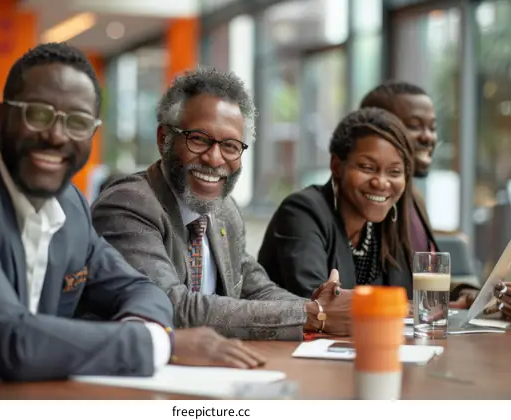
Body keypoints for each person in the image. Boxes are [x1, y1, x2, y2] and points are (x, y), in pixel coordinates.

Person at [0, 44, 265, 398]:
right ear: (1, 117)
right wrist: (162, 344)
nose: (56, 135)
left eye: (78, 122)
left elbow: (141, 291)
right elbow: (12, 340)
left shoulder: (71, 204)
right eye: (38, 114)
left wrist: (148, 332)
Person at [91, 67, 350, 340]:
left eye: (230, 145)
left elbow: (258, 290)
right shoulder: (128, 205)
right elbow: (172, 307)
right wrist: (314, 315)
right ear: (163, 139)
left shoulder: (224, 211)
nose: (215, 159)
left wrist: (326, 310)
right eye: (199, 140)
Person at [258, 108, 414, 314]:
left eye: (394, 172)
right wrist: (391, 306)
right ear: (337, 166)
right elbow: (318, 306)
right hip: (289, 345)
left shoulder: (385, 224)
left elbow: (408, 300)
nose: (381, 182)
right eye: (367, 167)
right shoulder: (301, 212)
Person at [359, 81, 480, 305]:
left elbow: (413, 281)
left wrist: (469, 293)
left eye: (432, 127)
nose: (428, 137)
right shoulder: (366, 203)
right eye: (414, 126)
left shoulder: (415, 199)